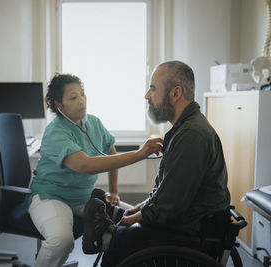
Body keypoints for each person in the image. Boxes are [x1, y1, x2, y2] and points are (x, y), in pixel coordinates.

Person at [82, 61, 231, 266]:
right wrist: (138, 209)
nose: (146, 95)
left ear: (175, 93)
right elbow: (165, 191)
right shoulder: (184, 129)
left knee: (121, 241)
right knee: (126, 229)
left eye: (153, 88)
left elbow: (170, 205)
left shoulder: (191, 135)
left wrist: (131, 220)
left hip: (192, 235)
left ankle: (110, 235)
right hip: (190, 223)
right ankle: (112, 229)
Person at [28, 73, 163, 267]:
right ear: (59, 105)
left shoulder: (93, 123)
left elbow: (111, 152)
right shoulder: (55, 132)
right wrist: (140, 153)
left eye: (83, 94)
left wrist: (114, 191)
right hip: (52, 197)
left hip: (84, 199)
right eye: (73, 98)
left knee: (134, 223)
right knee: (62, 241)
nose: (82, 101)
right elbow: (86, 165)